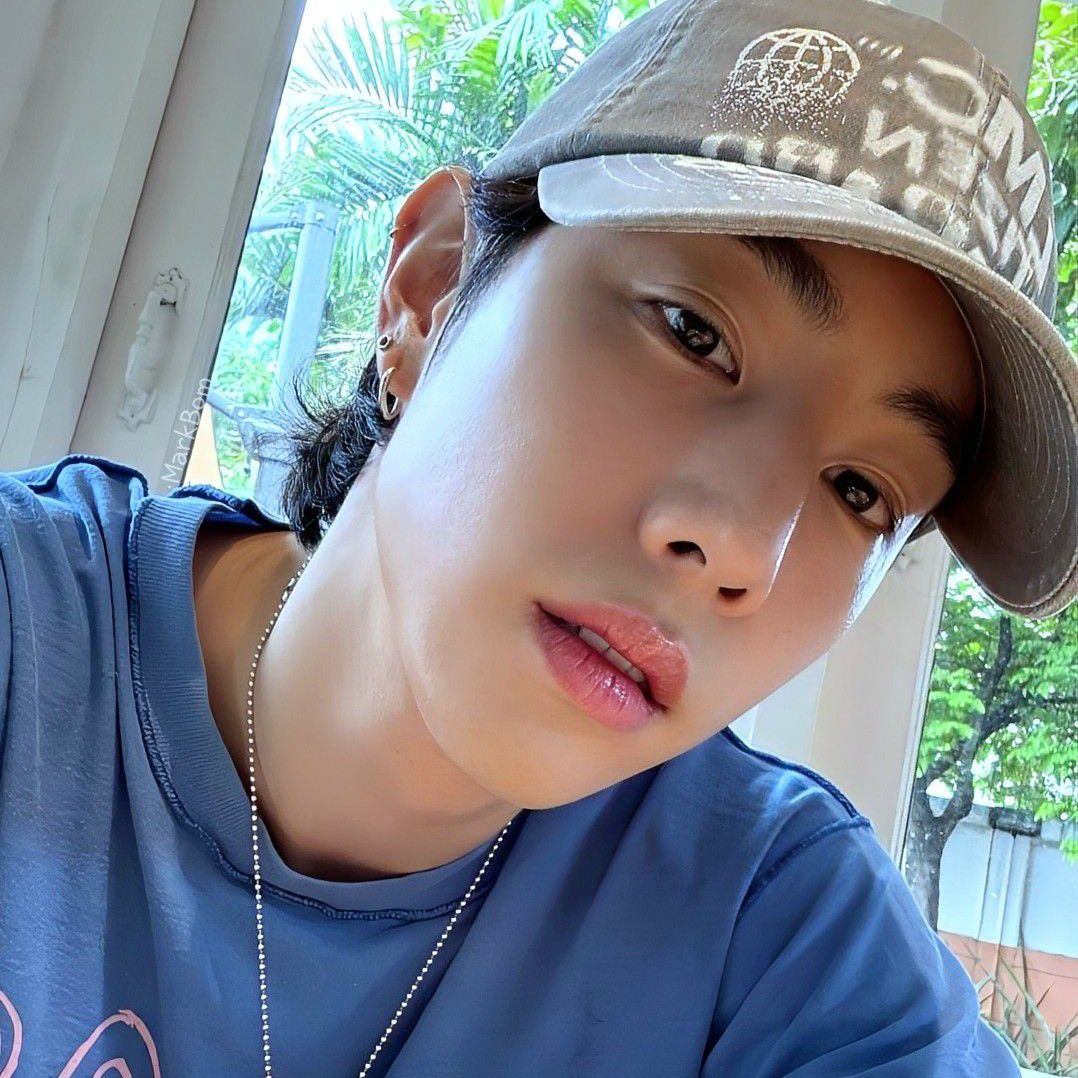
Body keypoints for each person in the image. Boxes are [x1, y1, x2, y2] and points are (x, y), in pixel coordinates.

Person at [1, 0, 1074, 1074]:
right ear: (432, 290)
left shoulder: (786, 945)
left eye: (858, 490)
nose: (745, 547)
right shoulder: (31, 639)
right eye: (694, 333)